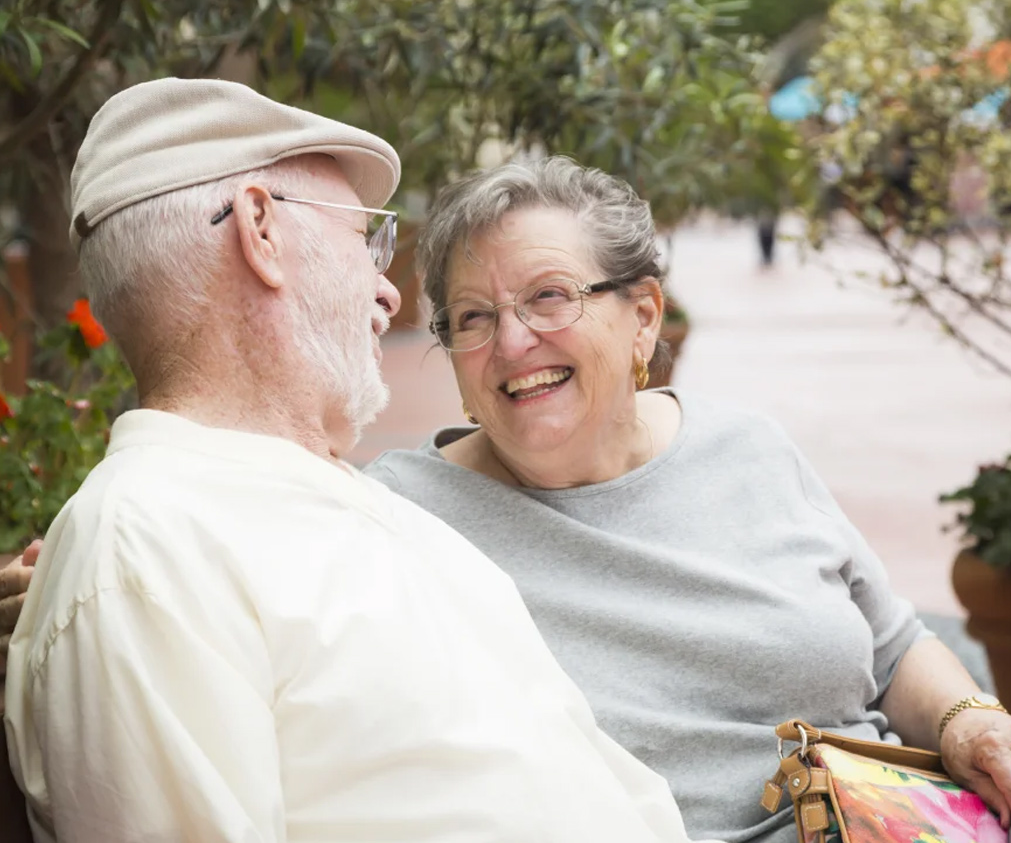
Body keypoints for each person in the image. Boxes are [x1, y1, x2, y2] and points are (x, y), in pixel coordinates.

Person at [0, 155, 1011, 842]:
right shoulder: (400, 509)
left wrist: (973, 718)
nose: (511, 344)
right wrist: (53, 586)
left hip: (892, 817)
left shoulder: (749, 450)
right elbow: (233, 533)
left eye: (550, 298)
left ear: (643, 316)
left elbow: (889, 643)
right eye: (468, 317)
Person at [1, 80, 714, 843]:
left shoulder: (352, 505)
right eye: (366, 242)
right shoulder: (148, 549)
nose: (387, 294)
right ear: (261, 231)